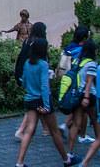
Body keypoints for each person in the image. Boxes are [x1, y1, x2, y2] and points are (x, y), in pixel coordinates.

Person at [15, 38, 79, 167]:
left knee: (29, 131)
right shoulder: (43, 64)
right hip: (41, 100)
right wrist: (46, 105)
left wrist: (30, 90)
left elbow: (24, 81)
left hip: (30, 99)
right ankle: (66, 160)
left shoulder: (27, 63)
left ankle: (19, 163)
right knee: (54, 131)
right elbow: (45, 87)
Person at [72, 41, 100, 160]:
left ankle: (70, 152)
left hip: (77, 94)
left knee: (76, 124)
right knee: (96, 122)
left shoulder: (77, 61)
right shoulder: (91, 63)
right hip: (89, 95)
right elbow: (89, 81)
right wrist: (87, 97)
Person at [14, 22, 49, 140]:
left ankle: (45, 129)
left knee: (35, 103)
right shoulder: (40, 43)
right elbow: (43, 60)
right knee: (37, 102)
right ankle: (22, 130)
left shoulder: (27, 41)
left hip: (25, 74)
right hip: (36, 75)